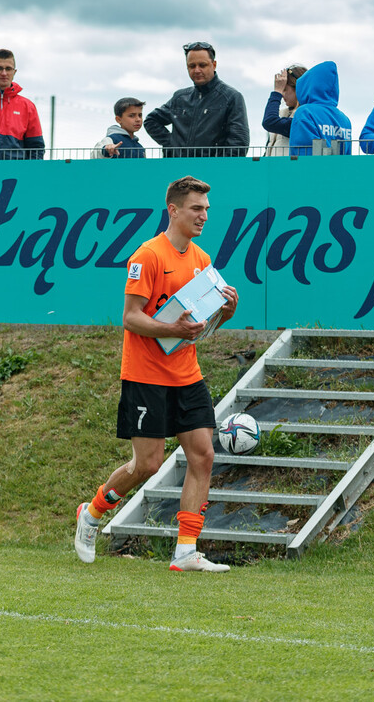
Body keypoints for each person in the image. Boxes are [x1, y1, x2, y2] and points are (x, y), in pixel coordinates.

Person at [74, 175, 239, 572]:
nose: (204, 216)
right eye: (196, 209)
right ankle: (92, 514)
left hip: (187, 374)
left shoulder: (201, 260)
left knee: (203, 455)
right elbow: (131, 319)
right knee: (146, 464)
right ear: (174, 210)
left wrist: (225, 312)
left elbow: (199, 329)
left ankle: (186, 551)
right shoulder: (146, 256)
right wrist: (173, 329)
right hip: (146, 375)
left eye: (206, 210)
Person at [144, 41, 249, 157]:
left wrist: (221, 167)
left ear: (214, 65)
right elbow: (151, 121)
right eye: (192, 66)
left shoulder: (231, 97)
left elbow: (239, 143)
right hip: (178, 169)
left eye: (202, 65)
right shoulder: (180, 98)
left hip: (213, 170)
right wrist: (172, 145)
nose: (197, 70)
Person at [288, 61, 353, 155]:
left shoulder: (305, 112)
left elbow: (301, 152)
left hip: (310, 169)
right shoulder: (345, 119)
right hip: (339, 169)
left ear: (306, 86)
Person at [262, 63, 306, 156]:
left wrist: (276, 92)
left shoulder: (304, 117)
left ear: (298, 89)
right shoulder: (282, 114)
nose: (282, 94)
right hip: (272, 169)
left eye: (285, 89)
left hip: (289, 169)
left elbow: (269, 122)